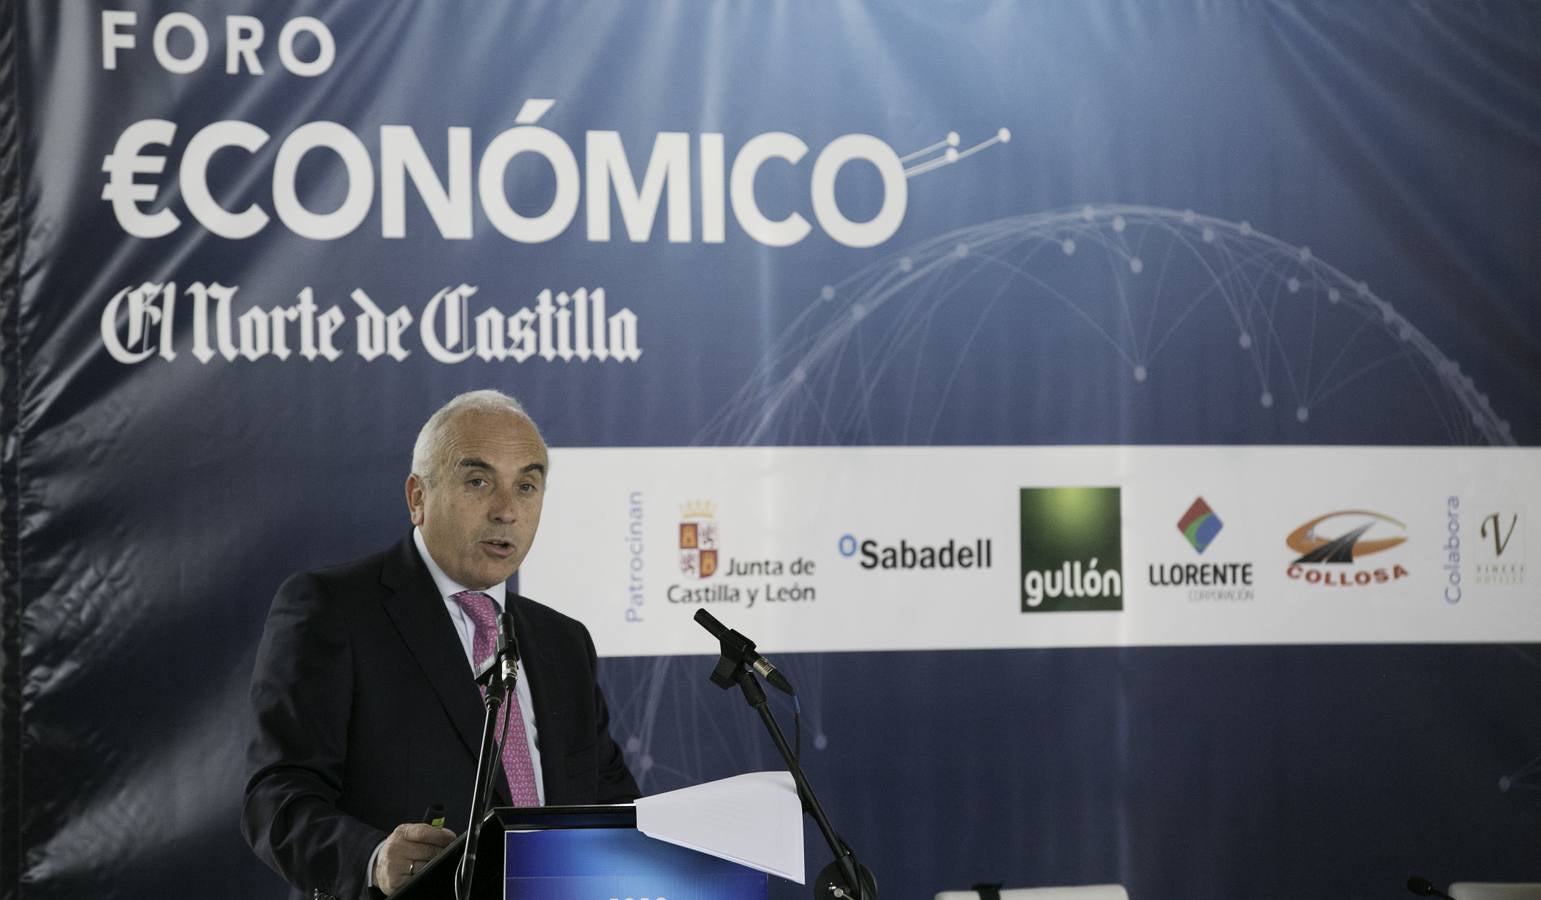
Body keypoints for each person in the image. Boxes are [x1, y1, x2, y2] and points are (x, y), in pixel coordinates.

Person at [242, 390, 639, 900]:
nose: (506, 511)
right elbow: (274, 798)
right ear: (417, 497)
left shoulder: (563, 642)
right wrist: (372, 859)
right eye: (478, 481)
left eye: (527, 485)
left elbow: (609, 801)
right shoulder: (333, 610)